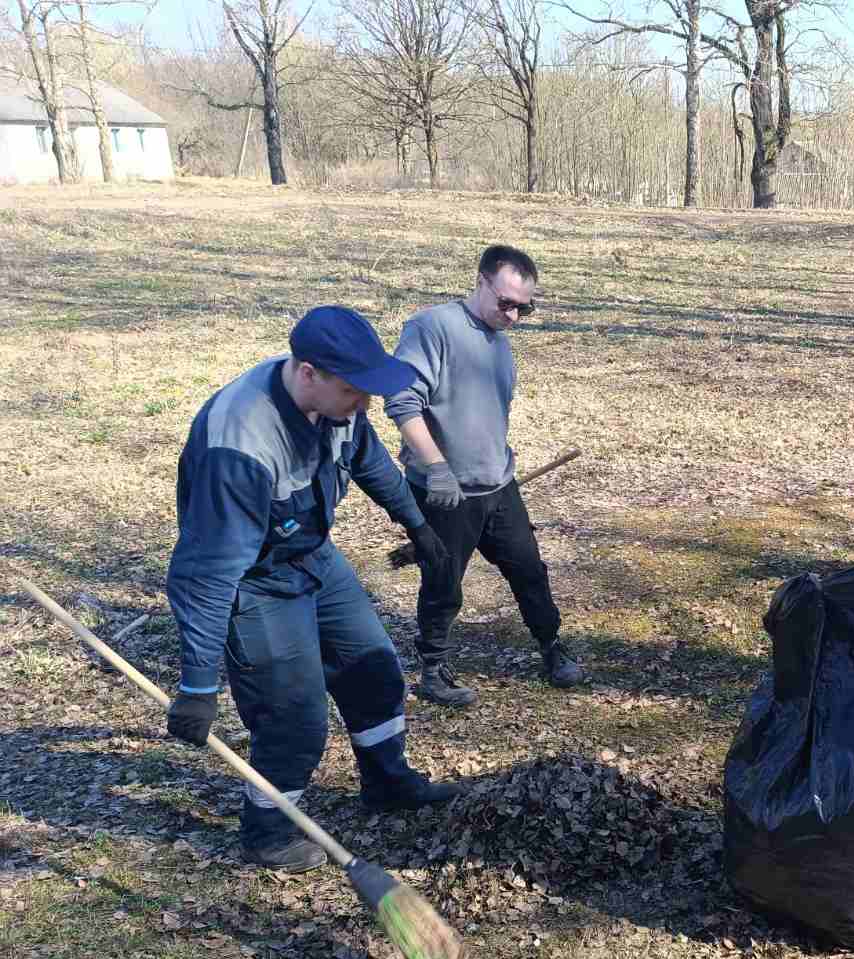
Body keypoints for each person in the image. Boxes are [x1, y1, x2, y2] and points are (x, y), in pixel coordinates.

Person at [165, 307, 459, 873]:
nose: (364, 404)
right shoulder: (241, 444)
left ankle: (387, 783)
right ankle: (268, 832)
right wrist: (198, 685)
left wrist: (417, 524)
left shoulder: (338, 403)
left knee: (373, 669)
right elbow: (208, 577)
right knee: (293, 714)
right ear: (307, 373)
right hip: (254, 579)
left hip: (311, 554)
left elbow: (368, 459)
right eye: (354, 390)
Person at [385, 244, 582, 707]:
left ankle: (551, 646)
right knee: (443, 581)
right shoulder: (431, 328)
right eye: (506, 302)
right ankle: (433, 669)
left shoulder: (500, 344)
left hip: (498, 485)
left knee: (529, 570)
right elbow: (402, 402)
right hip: (445, 491)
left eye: (523, 308)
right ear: (480, 282)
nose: (513, 315)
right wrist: (437, 468)